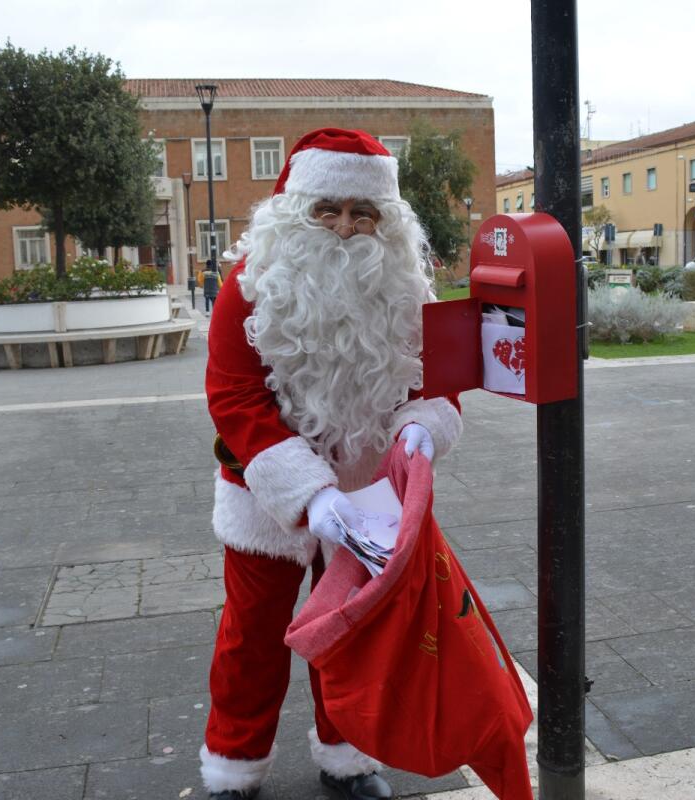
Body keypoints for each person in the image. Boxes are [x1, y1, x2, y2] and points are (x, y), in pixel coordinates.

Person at [202, 128, 463, 800]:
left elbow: (434, 384)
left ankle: (347, 756)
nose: (346, 227)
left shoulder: (408, 289)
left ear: (387, 220)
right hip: (268, 500)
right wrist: (308, 493)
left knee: (355, 637)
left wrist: (421, 430)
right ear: (297, 210)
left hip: (368, 499)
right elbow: (233, 395)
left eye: (363, 212)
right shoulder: (249, 285)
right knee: (251, 640)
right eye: (329, 210)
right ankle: (233, 766)